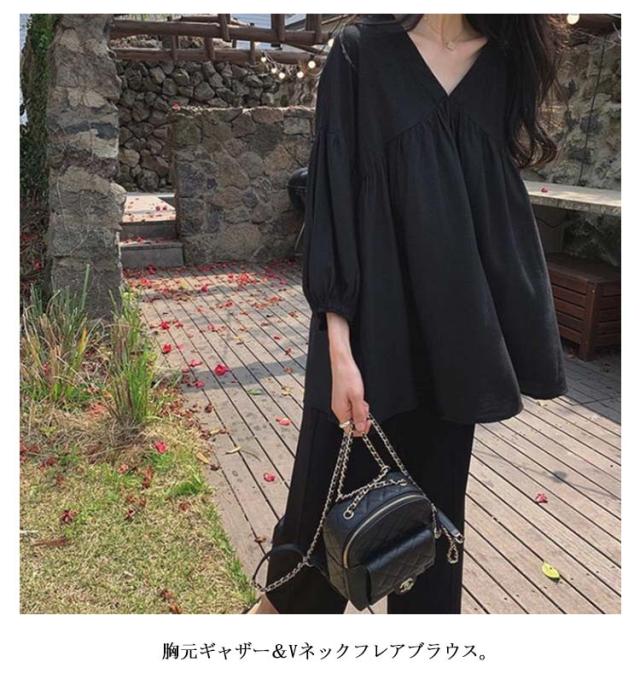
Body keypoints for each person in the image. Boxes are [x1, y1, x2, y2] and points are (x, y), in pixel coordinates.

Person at [245, 13, 569, 614]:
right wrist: (339, 353)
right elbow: (333, 196)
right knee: (309, 557)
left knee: (430, 550)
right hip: (365, 342)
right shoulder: (360, 54)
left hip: (452, 351)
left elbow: (496, 212)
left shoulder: (503, 65)